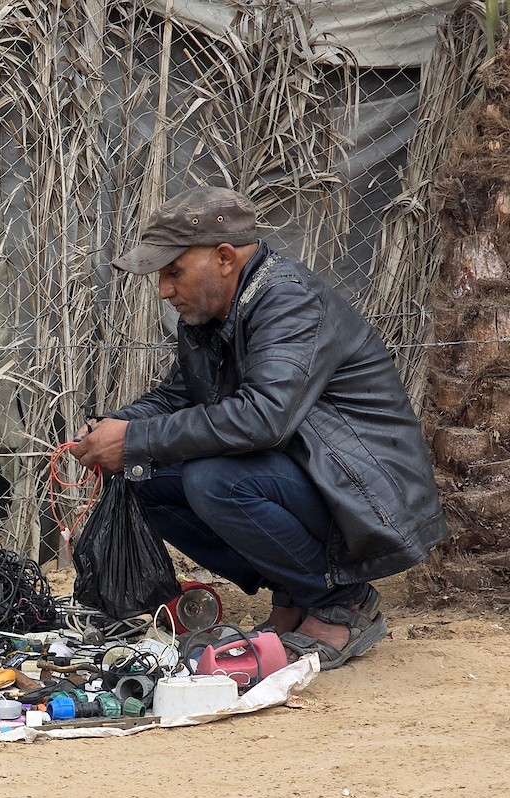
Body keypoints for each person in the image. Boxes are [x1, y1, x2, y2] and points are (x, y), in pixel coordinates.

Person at [72, 186, 445, 669]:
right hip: (308, 475)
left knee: (214, 481)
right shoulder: (210, 313)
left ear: (224, 257)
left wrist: (137, 439)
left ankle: (345, 603)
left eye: (173, 271)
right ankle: (295, 594)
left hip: (366, 493)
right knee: (145, 479)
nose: (164, 290)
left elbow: (263, 417)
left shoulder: (288, 302)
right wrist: (117, 428)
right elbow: (177, 398)